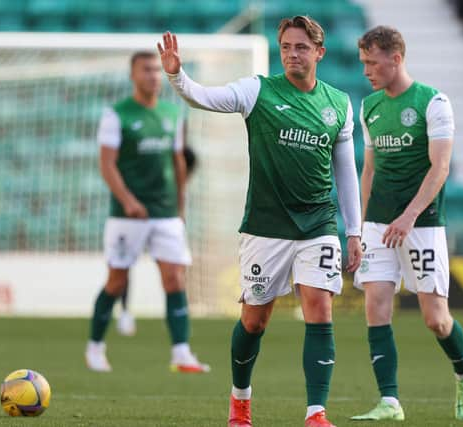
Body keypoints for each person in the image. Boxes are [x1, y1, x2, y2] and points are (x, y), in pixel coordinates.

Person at [158, 15, 362, 427]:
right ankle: (240, 402)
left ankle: (316, 412)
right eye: (286, 47)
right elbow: (205, 98)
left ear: (319, 52)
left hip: (318, 224)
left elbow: (346, 172)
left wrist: (353, 230)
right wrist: (178, 77)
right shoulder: (258, 91)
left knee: (319, 309)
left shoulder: (339, 104)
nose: (292, 54)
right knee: (254, 320)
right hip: (265, 228)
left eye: (301, 47)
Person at [351, 26, 463, 421]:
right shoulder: (369, 106)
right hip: (378, 224)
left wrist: (408, 215)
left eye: (373, 62)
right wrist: (358, 226)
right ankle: (389, 401)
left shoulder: (433, 102)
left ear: (396, 58)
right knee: (375, 305)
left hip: (421, 223)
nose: (367, 71)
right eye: (363, 63)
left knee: (435, 319)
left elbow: (440, 167)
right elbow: (369, 169)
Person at [85, 51, 209, 374]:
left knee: (174, 278)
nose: (154, 75)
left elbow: (178, 161)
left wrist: (181, 204)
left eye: (156, 70)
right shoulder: (117, 115)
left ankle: (182, 352)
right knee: (116, 281)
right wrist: (127, 199)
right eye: (146, 70)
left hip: (165, 212)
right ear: (133, 75)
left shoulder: (173, 113)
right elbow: (107, 164)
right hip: (129, 215)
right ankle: (95, 347)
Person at [115, 144, 198, 337]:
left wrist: (179, 211)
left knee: (175, 270)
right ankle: (125, 312)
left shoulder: (175, 145)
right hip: (137, 212)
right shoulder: (145, 155)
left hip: (165, 216)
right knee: (123, 266)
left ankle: (176, 319)